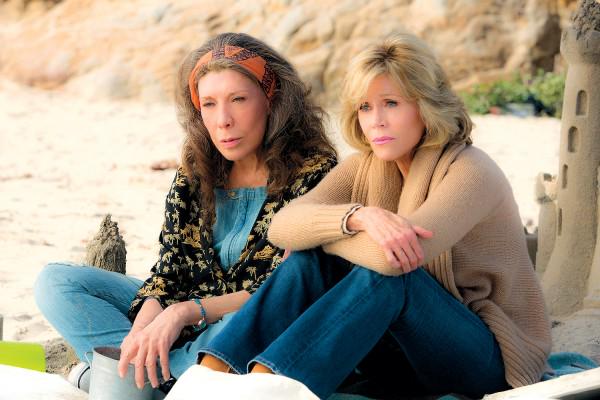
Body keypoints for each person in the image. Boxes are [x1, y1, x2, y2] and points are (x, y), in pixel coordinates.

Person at [196, 32, 552, 399]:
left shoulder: (471, 171)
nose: (376, 121)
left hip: (485, 358)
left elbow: (394, 259)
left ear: (425, 105)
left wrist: (323, 237)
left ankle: (270, 386)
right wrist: (356, 218)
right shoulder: (365, 166)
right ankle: (212, 377)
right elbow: (282, 226)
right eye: (365, 107)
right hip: (402, 350)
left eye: (391, 104)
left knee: (384, 275)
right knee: (308, 261)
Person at [34, 32, 337, 392]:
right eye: (209, 104)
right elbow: (169, 270)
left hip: (245, 323)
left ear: (272, 98)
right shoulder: (197, 168)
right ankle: (152, 376)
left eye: (238, 99)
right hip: (188, 323)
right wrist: (141, 332)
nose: (223, 120)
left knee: (242, 327)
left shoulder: (314, 173)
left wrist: (185, 312)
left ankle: (127, 382)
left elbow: (282, 292)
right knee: (56, 283)